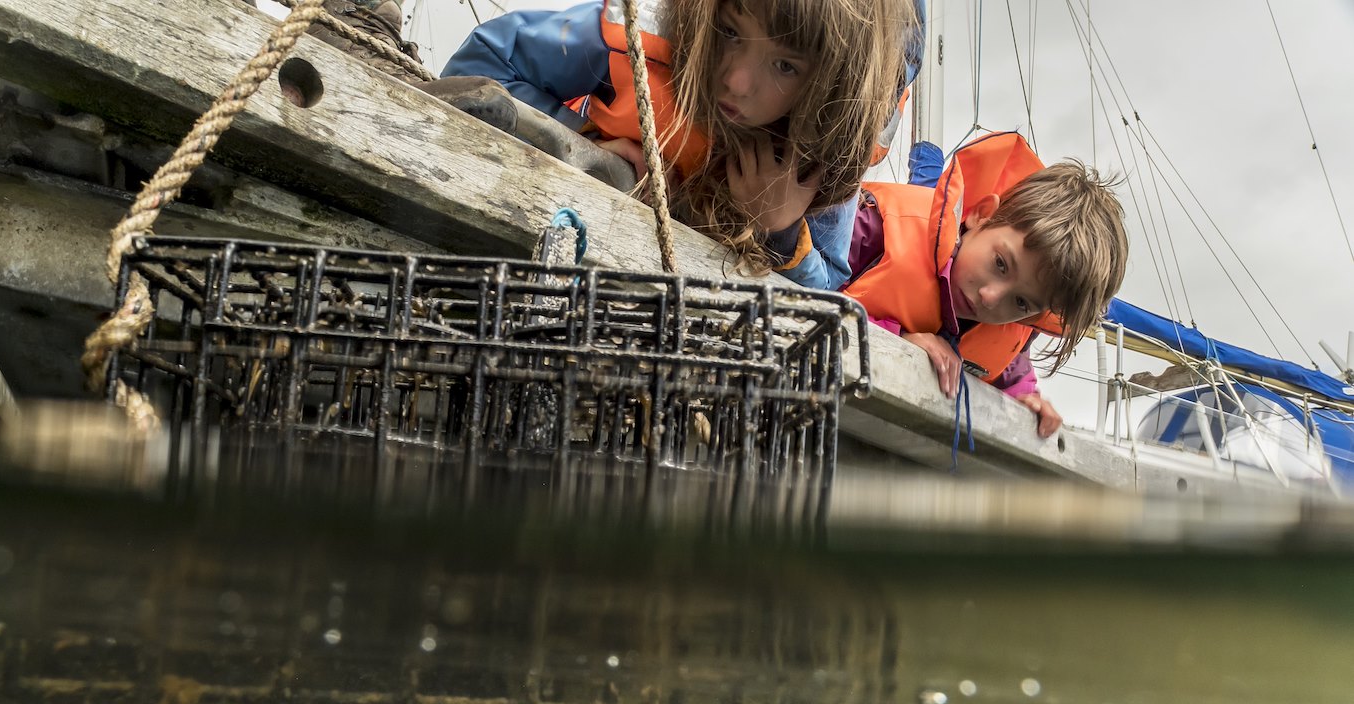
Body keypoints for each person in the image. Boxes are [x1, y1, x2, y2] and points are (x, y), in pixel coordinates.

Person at [441, 0, 924, 290]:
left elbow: (831, 293)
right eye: (731, 31)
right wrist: (584, 140)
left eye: (785, 66)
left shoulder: (826, 153)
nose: (735, 80)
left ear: (827, 83)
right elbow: (483, 61)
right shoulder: (644, 31)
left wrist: (780, 231)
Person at [843, 131, 1128, 438]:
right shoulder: (871, 230)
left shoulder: (1012, 330)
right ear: (981, 214)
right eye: (1000, 264)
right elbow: (801, 290)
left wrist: (1025, 399)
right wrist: (895, 340)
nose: (990, 298)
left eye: (1021, 303)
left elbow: (1010, 369)